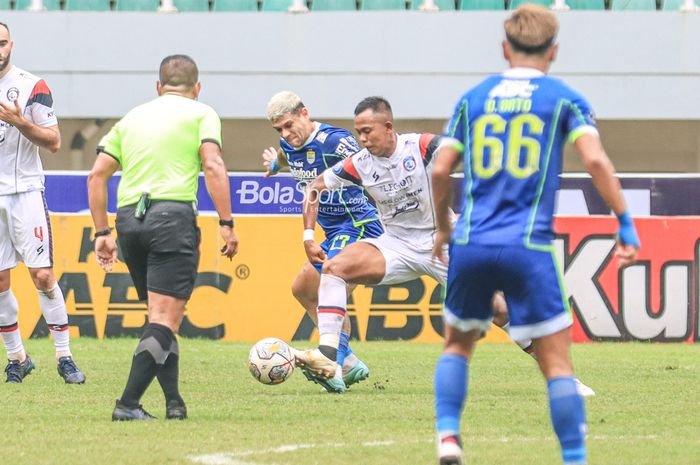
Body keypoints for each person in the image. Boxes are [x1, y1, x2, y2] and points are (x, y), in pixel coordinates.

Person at [430, 6, 640, 465]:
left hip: (472, 241)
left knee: (458, 345)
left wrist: (446, 229)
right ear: (555, 51)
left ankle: (448, 438)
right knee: (558, 365)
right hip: (529, 245)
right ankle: (574, 458)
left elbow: (441, 167)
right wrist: (624, 221)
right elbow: (597, 162)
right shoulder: (563, 99)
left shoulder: (474, 97)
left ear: (505, 49)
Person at [294, 96, 595, 395]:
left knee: (500, 310)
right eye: (358, 131)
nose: (362, 139)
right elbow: (314, 188)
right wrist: (308, 237)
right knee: (335, 267)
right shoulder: (359, 164)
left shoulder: (419, 146)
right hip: (396, 245)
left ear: (388, 127)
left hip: (442, 243)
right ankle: (330, 356)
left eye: (367, 131)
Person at [87, 54, 238, 421]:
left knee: (158, 315)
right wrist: (226, 221)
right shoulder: (202, 113)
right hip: (171, 218)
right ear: (197, 87)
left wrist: (103, 232)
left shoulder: (131, 118)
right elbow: (213, 164)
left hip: (129, 221)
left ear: (158, 87)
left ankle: (174, 402)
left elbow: (96, 176)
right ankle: (127, 405)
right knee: (166, 319)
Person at [262, 91, 383, 393]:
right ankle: (349, 362)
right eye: (279, 130)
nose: (287, 135)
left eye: (289, 125)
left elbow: (372, 167)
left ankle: (332, 364)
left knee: (331, 283)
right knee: (302, 289)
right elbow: (284, 155)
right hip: (334, 231)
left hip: (359, 224)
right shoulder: (287, 144)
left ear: (304, 113)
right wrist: (275, 166)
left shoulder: (334, 141)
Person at [0, 22, 85, 385]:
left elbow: (53, 141)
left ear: (11, 45)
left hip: (25, 192)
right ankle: (17, 357)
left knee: (43, 276)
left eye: (1, 43)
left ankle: (64, 357)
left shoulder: (33, 85)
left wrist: (19, 121)